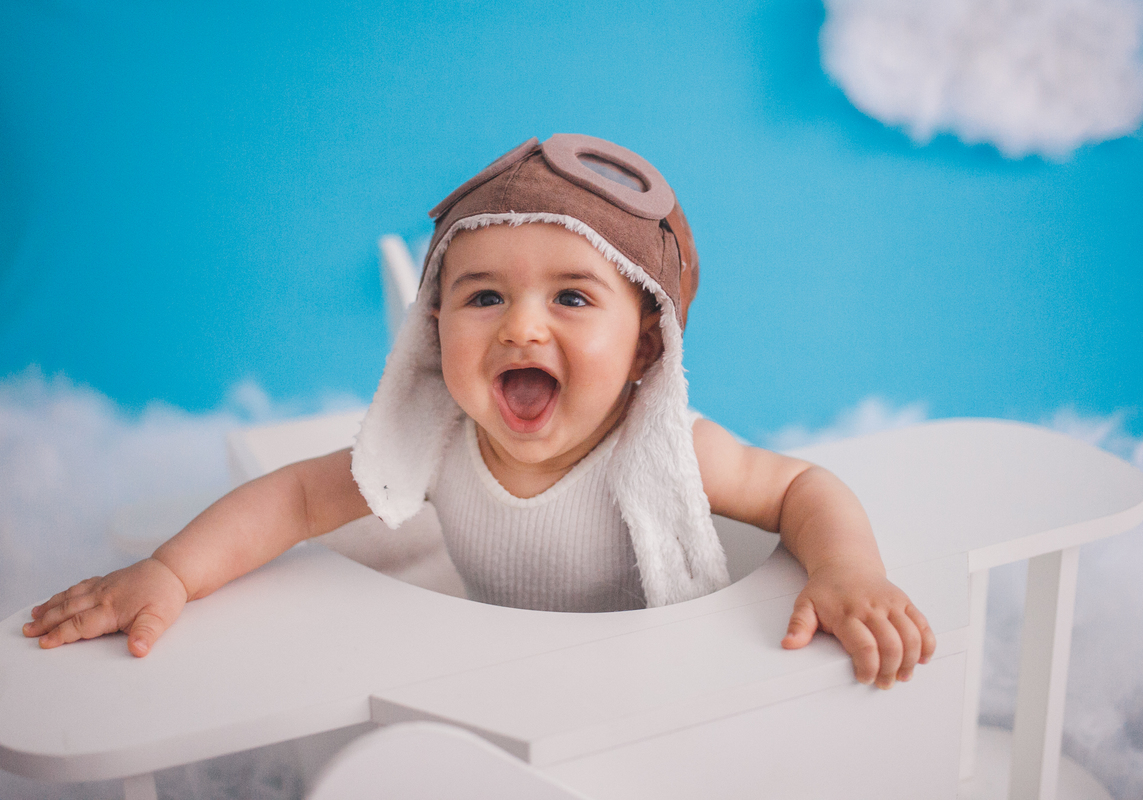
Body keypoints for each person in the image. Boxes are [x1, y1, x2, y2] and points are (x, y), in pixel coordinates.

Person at [24, 135, 935, 690]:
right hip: (495, 664)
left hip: (647, 679)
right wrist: (171, 575)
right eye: (483, 298)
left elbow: (803, 486)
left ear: (647, 349)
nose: (521, 326)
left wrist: (849, 570)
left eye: (572, 300)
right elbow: (297, 502)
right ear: (434, 328)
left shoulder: (666, 452)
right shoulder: (439, 441)